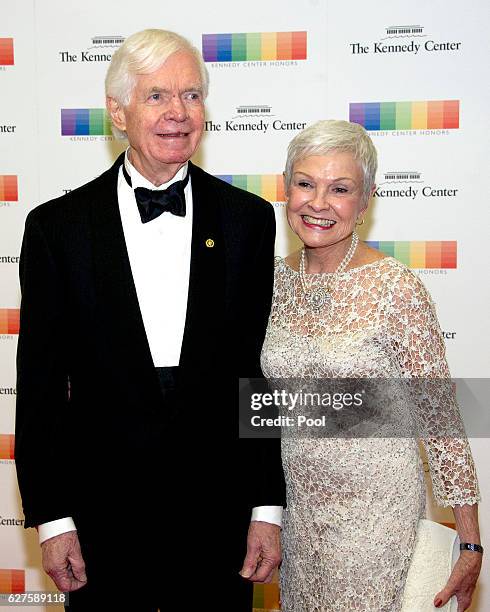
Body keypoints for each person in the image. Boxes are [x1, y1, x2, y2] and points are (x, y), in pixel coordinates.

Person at [15, 29, 285, 611]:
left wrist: (266, 508)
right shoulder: (56, 229)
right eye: (158, 96)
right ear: (118, 111)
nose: (179, 114)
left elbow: (255, 379)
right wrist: (53, 520)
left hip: (221, 516)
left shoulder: (249, 221)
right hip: (100, 519)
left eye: (192, 95)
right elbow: (38, 390)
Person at [260, 120, 482, 611]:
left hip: (376, 522)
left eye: (340, 189)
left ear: (365, 202)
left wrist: (469, 541)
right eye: (305, 183)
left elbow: (440, 416)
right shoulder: (269, 282)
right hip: (297, 523)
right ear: (285, 187)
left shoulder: (395, 289)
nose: (318, 203)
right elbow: (257, 409)